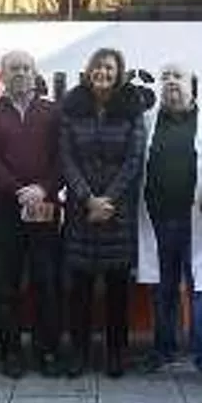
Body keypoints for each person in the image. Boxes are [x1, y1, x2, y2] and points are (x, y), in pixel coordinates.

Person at [0, 50, 62, 379]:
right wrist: (18, 190)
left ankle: (46, 350)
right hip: (3, 209)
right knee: (5, 284)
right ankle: (10, 351)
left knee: (45, 281)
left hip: (44, 207)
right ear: (3, 76)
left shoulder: (53, 112)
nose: (21, 73)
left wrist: (43, 188)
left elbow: (63, 157)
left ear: (35, 73)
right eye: (14, 69)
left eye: (26, 68)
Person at [137, 63, 202, 386]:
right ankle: (164, 350)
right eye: (165, 77)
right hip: (157, 221)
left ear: (192, 83)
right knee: (162, 290)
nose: (171, 82)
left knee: (201, 290)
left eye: (178, 76)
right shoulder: (147, 120)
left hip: (198, 221)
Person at [60, 48, 146, 379]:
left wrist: (108, 200)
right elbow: (65, 157)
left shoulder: (131, 106)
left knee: (117, 289)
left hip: (117, 212)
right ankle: (78, 353)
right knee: (79, 288)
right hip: (81, 212)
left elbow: (134, 159)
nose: (103, 72)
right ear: (88, 70)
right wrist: (87, 199)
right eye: (97, 66)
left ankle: (116, 353)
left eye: (109, 68)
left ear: (118, 72)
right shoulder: (72, 105)